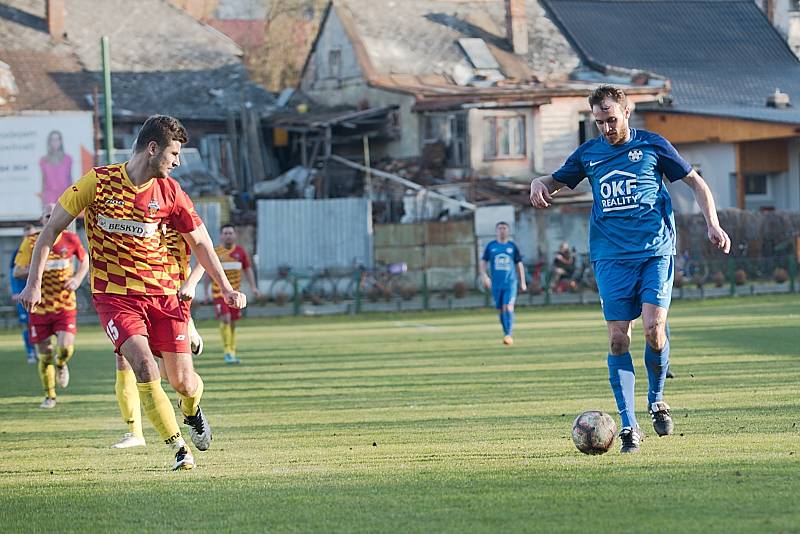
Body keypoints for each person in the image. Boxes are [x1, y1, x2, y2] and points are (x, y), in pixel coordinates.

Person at [18, 115, 246, 471]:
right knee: (141, 364)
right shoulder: (97, 182)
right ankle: (179, 449)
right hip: (115, 297)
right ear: (152, 148)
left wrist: (226, 288)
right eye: (174, 153)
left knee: (184, 383)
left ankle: (192, 411)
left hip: (165, 296)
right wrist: (32, 282)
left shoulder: (171, 192)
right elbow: (49, 232)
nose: (178, 161)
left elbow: (201, 243)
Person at [529, 85, 730, 453]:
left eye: (611, 119)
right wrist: (538, 182)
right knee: (618, 339)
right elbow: (555, 181)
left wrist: (712, 224)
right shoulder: (589, 154)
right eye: (599, 121)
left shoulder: (652, 146)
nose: (605, 128)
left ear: (626, 113)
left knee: (654, 329)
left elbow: (696, 183)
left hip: (655, 251)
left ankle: (656, 398)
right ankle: (629, 425)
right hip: (609, 257)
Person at [112, 221, 205, 449]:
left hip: (173, 301)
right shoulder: (135, 215)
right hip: (136, 299)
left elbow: (206, 253)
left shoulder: (181, 216)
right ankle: (134, 431)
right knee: (125, 357)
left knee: (178, 380)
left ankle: (191, 410)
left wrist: (191, 284)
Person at [14, 205, 89, 408]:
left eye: (55, 214)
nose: (52, 217)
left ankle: (62, 364)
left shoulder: (71, 239)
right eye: (48, 215)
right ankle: (50, 396)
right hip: (38, 307)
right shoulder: (30, 242)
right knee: (45, 353)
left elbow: (85, 261)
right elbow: (16, 271)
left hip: (64, 304)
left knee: (64, 348)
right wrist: (36, 267)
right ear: (41, 220)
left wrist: (77, 279)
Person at [205, 224, 260, 364]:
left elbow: (248, 270)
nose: (228, 235)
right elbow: (208, 273)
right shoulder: (216, 252)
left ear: (235, 235)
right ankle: (227, 351)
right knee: (226, 319)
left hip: (236, 295)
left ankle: (233, 350)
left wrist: (254, 287)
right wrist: (205, 292)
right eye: (225, 233)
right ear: (221, 236)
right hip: (219, 294)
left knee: (233, 323)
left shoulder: (240, 252)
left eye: (230, 233)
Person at [479, 221, 527, 346]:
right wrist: (484, 276)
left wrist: (522, 282)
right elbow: (483, 262)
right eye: (500, 228)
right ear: (496, 231)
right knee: (501, 309)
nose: (502, 230)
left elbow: (519, 264)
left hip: (510, 283)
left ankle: (509, 334)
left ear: (508, 231)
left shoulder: (512, 246)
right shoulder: (491, 246)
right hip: (496, 284)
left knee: (508, 306)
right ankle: (506, 332)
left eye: (504, 228)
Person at [9, 223, 40, 364]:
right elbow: (13, 273)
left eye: (33, 234)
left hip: (38, 293)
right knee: (27, 324)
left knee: (39, 323)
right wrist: (15, 291)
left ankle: (41, 351)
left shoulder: (40, 249)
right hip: (22, 294)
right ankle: (30, 353)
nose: (31, 238)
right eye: (28, 235)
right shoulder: (18, 252)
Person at [40, 130, 73, 207]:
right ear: (49, 142)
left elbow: (70, 179)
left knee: (66, 218)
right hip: (50, 197)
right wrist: (43, 199)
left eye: (57, 139)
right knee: (52, 217)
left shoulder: (67, 159)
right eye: (53, 139)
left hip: (65, 195)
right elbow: (43, 180)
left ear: (61, 141)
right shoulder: (44, 160)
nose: (55, 142)